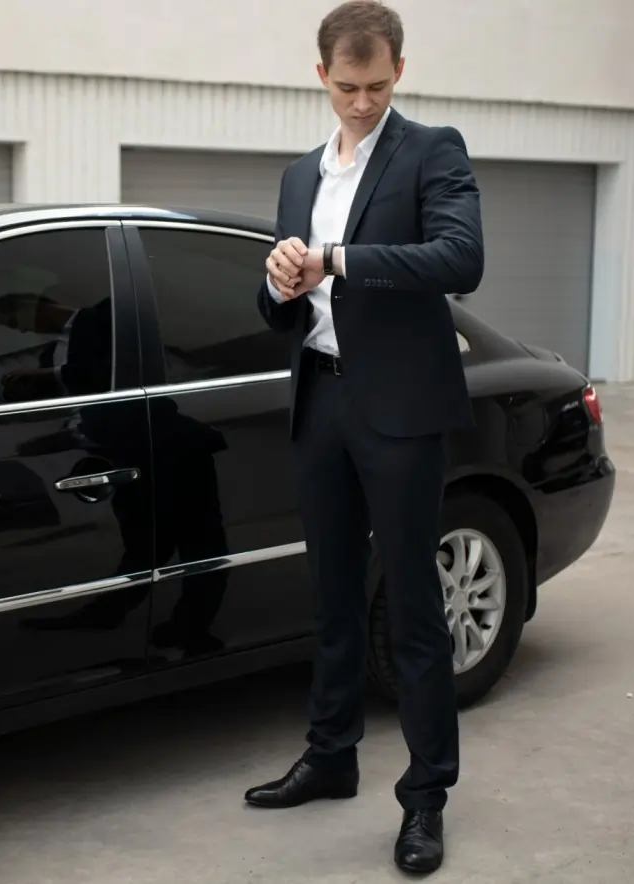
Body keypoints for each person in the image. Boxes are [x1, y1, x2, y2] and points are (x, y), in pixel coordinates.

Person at [241, 0, 483, 875]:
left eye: (378, 85)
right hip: (323, 403)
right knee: (331, 594)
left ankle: (424, 799)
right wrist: (277, 280)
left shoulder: (432, 151)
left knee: (412, 607)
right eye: (347, 87)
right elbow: (279, 303)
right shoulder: (299, 175)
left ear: (398, 72)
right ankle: (331, 755)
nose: (362, 102)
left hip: (402, 412)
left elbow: (461, 258)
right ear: (320, 77)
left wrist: (337, 258)